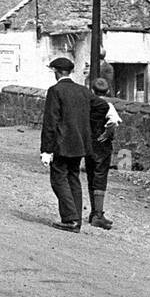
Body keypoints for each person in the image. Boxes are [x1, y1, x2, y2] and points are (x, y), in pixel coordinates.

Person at [40, 57, 106, 233]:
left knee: (58, 180)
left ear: (57, 72)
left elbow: (50, 122)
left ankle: (71, 219)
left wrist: (46, 149)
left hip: (62, 143)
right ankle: (75, 218)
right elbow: (102, 106)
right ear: (69, 72)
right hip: (80, 143)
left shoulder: (56, 91)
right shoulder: (83, 91)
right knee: (73, 178)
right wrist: (87, 125)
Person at [85, 77, 121, 229]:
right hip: (101, 144)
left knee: (91, 176)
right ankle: (98, 214)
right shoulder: (107, 105)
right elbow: (113, 122)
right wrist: (107, 133)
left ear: (92, 90)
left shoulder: (87, 103)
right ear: (107, 91)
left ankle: (93, 212)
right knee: (100, 177)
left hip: (88, 143)